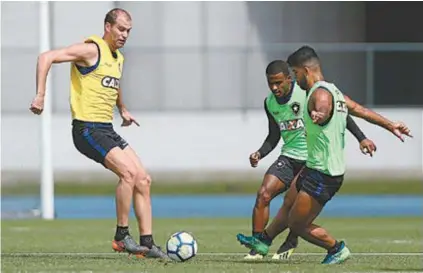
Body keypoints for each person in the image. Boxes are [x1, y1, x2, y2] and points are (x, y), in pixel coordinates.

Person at [240, 46, 412, 264]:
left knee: (297, 224)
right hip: (312, 167)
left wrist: (319, 114)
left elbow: (322, 106)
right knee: (288, 203)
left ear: (305, 70)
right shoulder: (334, 90)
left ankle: (336, 248)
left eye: (295, 73)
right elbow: (361, 110)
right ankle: (263, 240)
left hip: (324, 173)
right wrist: (391, 124)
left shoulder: (319, 94)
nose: (295, 78)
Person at [29, 8, 168, 259]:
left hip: (106, 128)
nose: (125, 35)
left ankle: (147, 245)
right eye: (121, 29)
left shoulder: (118, 58)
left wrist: (123, 109)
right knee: (127, 174)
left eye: (129, 31)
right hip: (87, 128)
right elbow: (45, 57)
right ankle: (122, 236)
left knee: (143, 179)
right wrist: (40, 95)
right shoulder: (92, 49)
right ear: (108, 27)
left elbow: (114, 85)